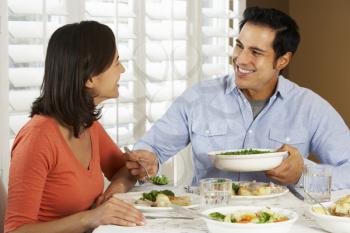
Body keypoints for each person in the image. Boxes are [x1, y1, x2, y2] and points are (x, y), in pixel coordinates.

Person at [125, 7, 350, 190]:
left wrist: (304, 173)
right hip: (209, 220)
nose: (240, 59)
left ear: (282, 60)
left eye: (256, 52)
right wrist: (147, 159)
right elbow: (151, 147)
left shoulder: (310, 107)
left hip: (279, 223)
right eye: (239, 46)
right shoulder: (199, 97)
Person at [5, 21, 145, 233]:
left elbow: (126, 170)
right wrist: (92, 218)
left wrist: (115, 190)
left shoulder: (88, 126)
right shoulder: (38, 137)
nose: (123, 70)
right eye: (116, 62)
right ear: (89, 78)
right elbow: (15, 230)